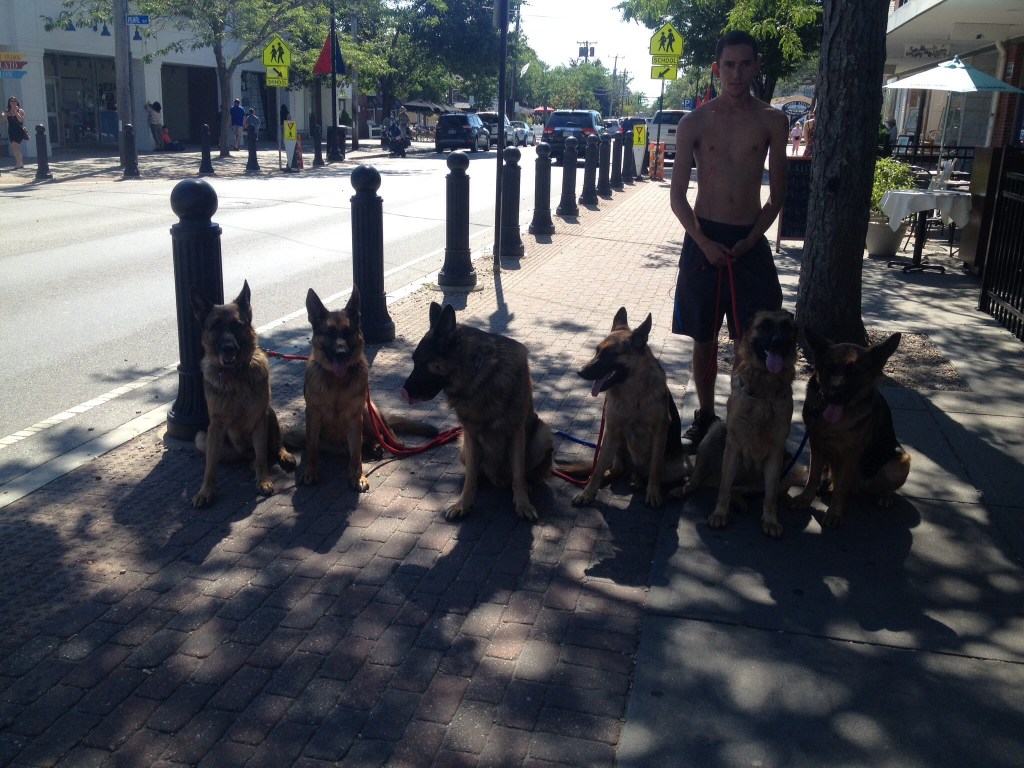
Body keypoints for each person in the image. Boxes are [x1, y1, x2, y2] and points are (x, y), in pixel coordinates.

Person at [669, 29, 789, 450]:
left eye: (745, 64)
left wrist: (753, 239)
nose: (736, 74)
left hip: (748, 242)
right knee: (703, 338)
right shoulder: (694, 122)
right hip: (704, 239)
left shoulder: (772, 121)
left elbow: (777, 195)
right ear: (717, 68)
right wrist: (703, 242)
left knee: (751, 339)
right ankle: (706, 415)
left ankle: (744, 417)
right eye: (729, 65)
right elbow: (677, 197)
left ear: (756, 67)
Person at [3, 96, 27, 169]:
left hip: (19, 131)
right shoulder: (7, 112)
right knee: (15, 147)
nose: (13, 102)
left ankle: (18, 163)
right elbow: (4, 122)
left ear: (17, 102)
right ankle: (20, 162)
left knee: (15, 145)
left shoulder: (21, 111)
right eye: (11, 101)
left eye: (15, 101)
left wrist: (16, 112)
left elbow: (20, 120)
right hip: (11, 131)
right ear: (9, 103)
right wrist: (4, 116)